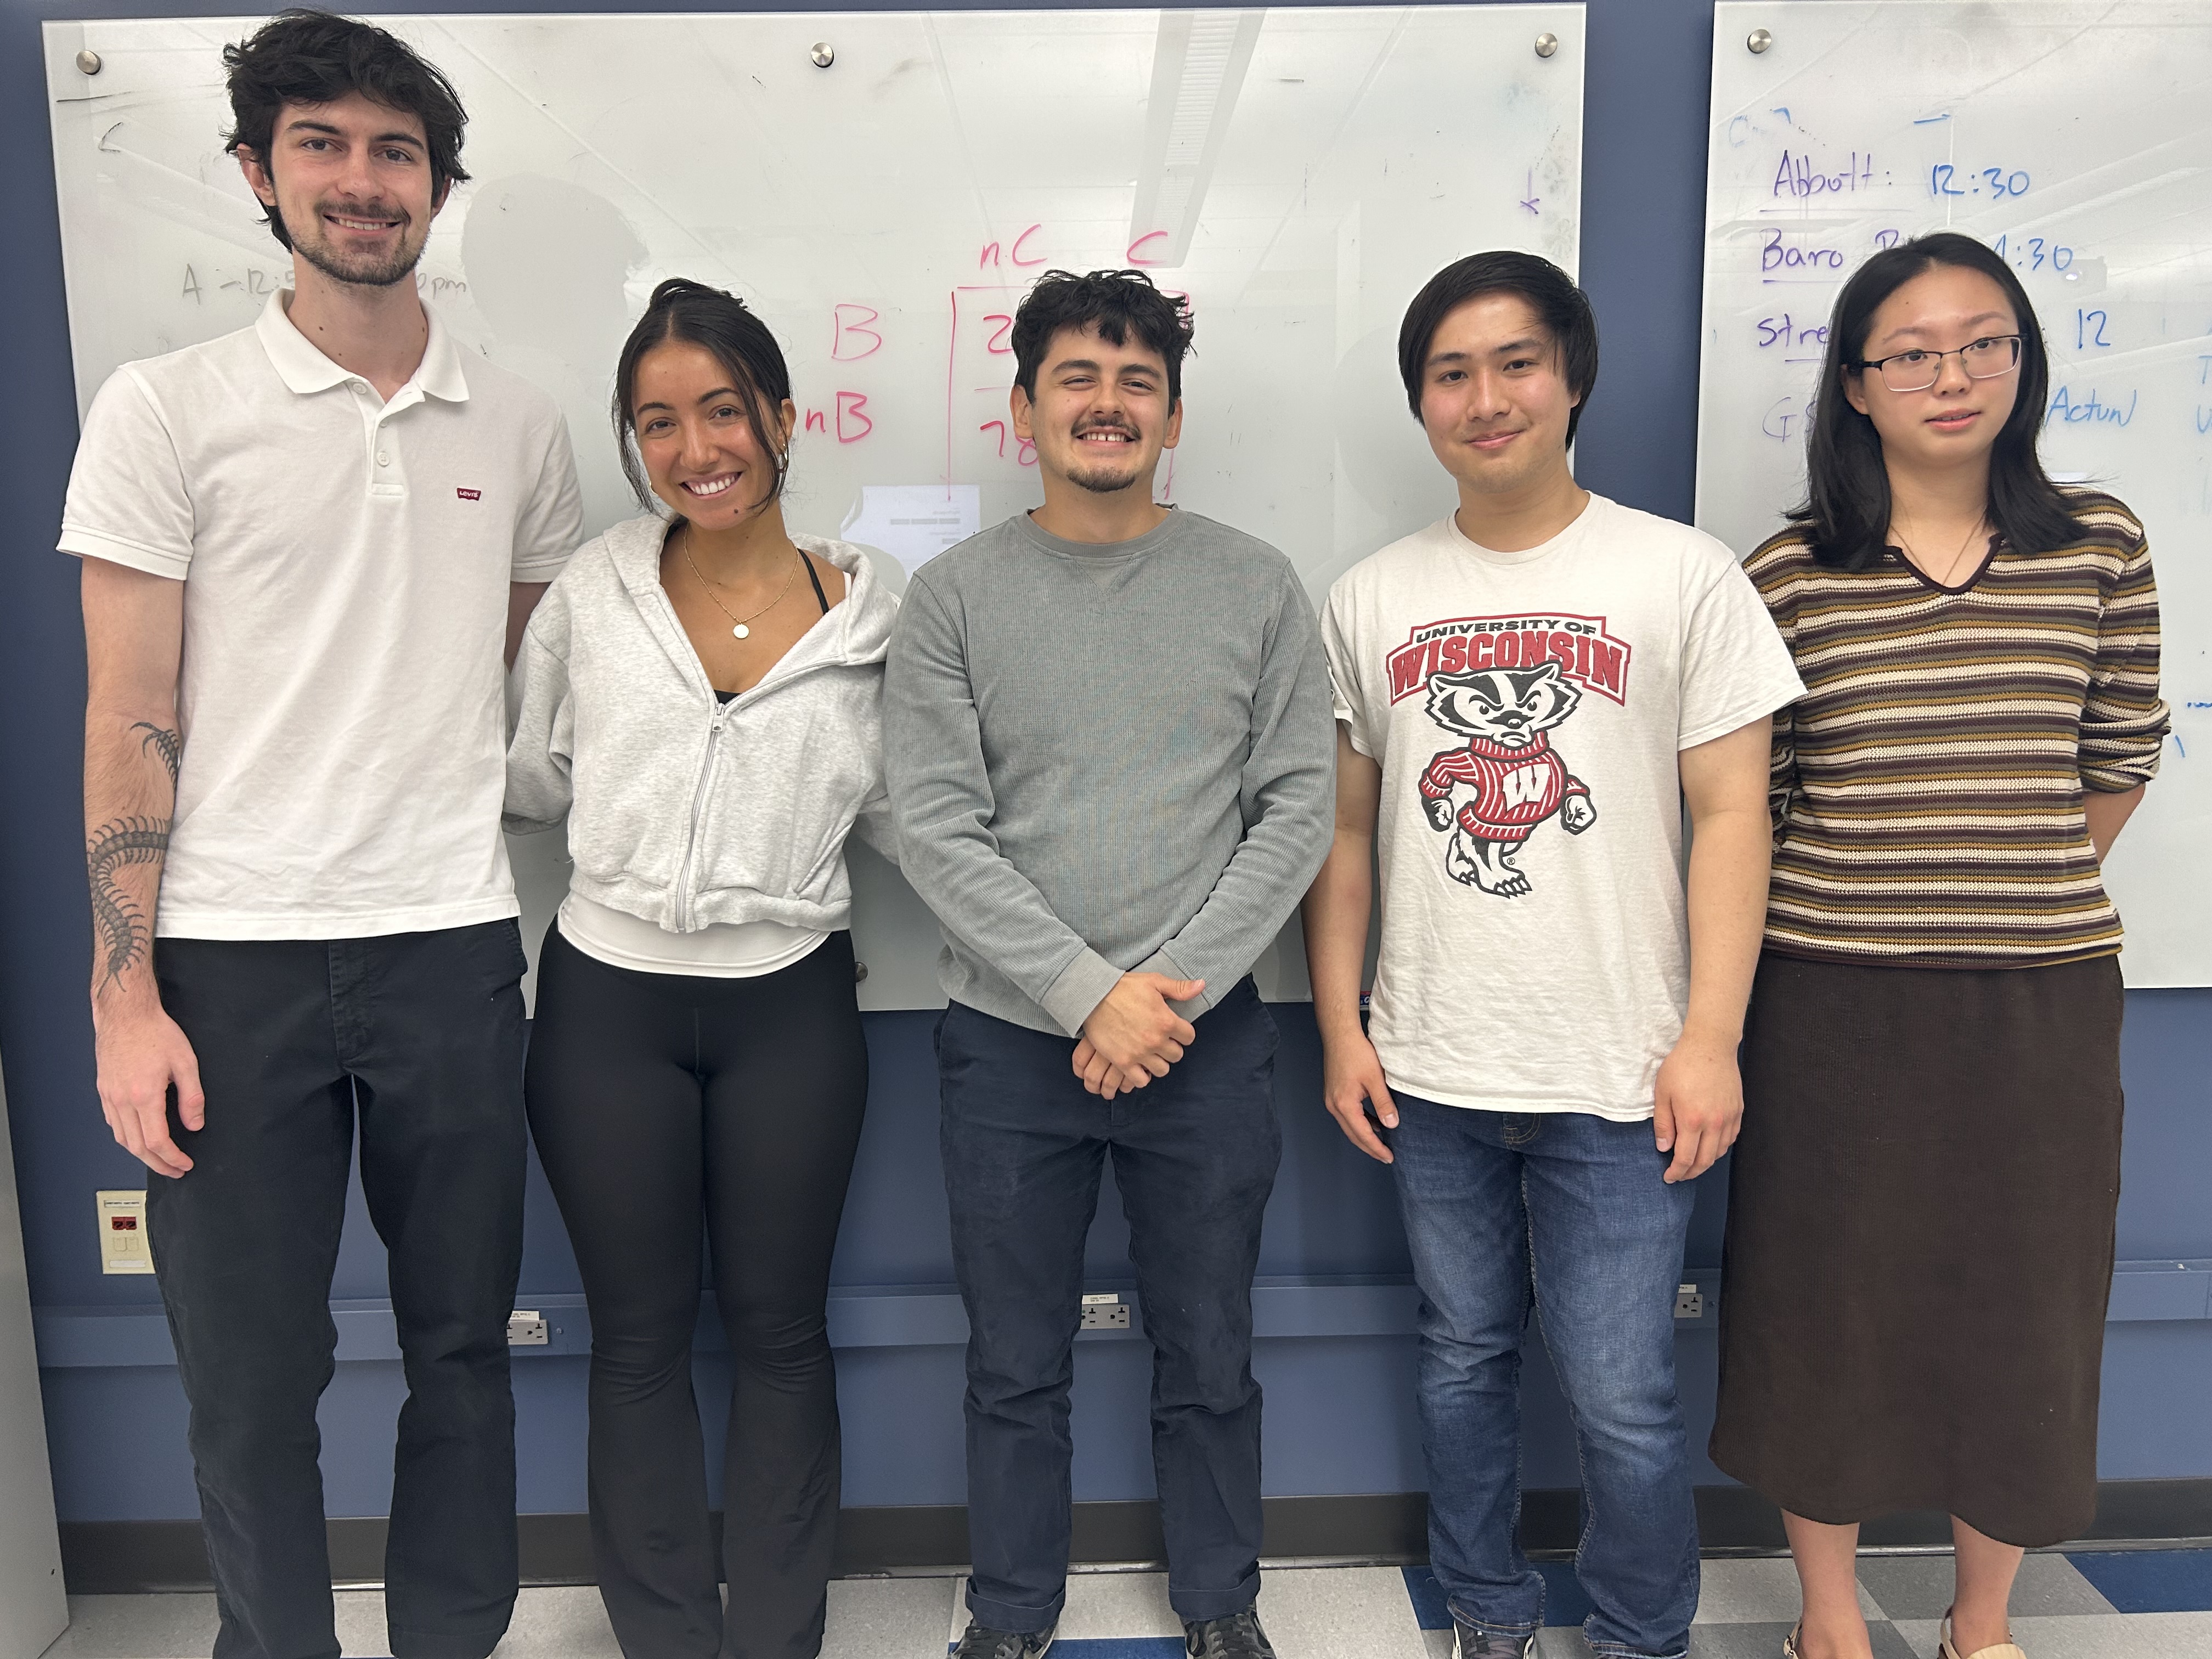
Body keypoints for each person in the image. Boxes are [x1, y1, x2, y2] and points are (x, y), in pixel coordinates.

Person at [64, 13, 582, 1657]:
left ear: (438, 185)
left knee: (462, 1352)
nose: (363, 183)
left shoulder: (521, 427)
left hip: (445, 944)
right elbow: (128, 712)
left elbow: (519, 672)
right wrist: (123, 995)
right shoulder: (165, 407)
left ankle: (450, 1639)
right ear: (257, 174)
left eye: (396, 153)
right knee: (248, 1377)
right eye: (324, 147)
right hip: (228, 960)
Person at [1302, 251, 1804, 1659]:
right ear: (1422, 406)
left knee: (1621, 1390)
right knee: (1463, 1362)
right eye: (1451, 373)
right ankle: (1485, 1607)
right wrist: (1343, 1027)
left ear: (1572, 378)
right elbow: (1343, 841)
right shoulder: (1370, 598)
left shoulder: (1681, 573)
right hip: (1435, 1063)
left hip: (1623, 1070)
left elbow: (1731, 817)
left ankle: (1643, 1630)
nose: (1486, 397)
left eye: (1517, 362)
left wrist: (1710, 1038)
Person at [1708, 232, 2168, 1659]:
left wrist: (2003, 887)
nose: (1951, 376)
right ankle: (1829, 1619)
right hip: (1833, 1004)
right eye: (1911, 353)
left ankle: (1984, 1621)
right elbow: (1758, 807)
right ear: (1854, 385)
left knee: (2023, 1310)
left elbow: (2119, 756)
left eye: (1985, 344)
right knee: (1822, 1304)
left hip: (2038, 1006)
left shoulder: (2100, 543)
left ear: (2023, 363)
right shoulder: (1789, 572)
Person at [882, 269, 1335, 1659]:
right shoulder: (952, 599)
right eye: (1077, 377)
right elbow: (934, 827)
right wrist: (1092, 996)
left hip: (1206, 1038)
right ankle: (1011, 1616)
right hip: (1008, 1046)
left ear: (1173, 415)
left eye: (1137, 382)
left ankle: (1222, 1607)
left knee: (1211, 1352)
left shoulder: (1256, 584)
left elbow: (1297, 809)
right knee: (1015, 1365)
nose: (1108, 404)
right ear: (1024, 408)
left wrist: (1161, 997)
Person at [505, 278, 896, 1659]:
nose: (695, 448)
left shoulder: (875, 614)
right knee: (637, 1341)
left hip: (791, 1003)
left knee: (784, 1336)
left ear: (785, 419)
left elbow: (924, 816)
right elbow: (530, 782)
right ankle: (667, 1638)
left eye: (722, 410)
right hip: (608, 1003)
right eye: (656, 421)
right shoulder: (597, 595)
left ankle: (779, 1636)